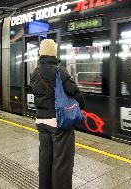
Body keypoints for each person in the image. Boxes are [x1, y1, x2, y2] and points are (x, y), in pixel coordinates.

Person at [30, 39, 85, 189]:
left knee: (45, 160)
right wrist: (82, 105)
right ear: (54, 52)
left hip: (41, 122)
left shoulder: (34, 73)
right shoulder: (59, 71)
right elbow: (74, 91)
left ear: (41, 53)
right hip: (58, 122)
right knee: (61, 163)